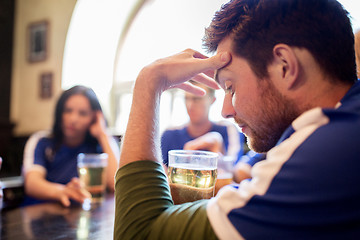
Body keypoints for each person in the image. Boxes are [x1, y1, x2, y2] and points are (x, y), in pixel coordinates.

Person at [114, 0, 360, 239]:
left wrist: (148, 82)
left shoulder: (324, 155)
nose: (225, 110)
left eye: (230, 87)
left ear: (284, 66)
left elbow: (140, 233)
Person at [23, 85, 120, 207]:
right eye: (67, 110)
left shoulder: (101, 144)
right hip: (40, 210)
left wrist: (103, 135)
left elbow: (114, 184)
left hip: (82, 213)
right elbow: (32, 184)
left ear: (94, 118)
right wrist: (63, 191)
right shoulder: (41, 141)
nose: (73, 119)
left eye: (83, 113)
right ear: (59, 113)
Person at [161, 80, 245, 166]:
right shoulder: (170, 134)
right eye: (186, 98)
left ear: (212, 100)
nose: (190, 105)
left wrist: (217, 144)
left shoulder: (227, 129)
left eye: (197, 99)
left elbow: (234, 167)